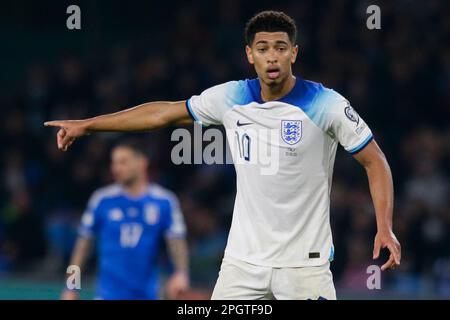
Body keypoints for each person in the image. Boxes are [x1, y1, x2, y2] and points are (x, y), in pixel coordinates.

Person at [46, 11, 401, 300]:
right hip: (242, 263)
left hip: (303, 266)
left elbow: (375, 161)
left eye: (280, 47)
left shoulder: (327, 104)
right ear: (250, 55)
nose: (272, 56)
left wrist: (384, 226)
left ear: (294, 53)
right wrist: (89, 125)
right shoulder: (231, 97)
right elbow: (164, 113)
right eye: (262, 48)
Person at [61, 139, 189, 300]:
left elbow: (176, 241)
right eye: (114, 163)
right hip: (107, 294)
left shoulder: (164, 201)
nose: (116, 168)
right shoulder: (102, 199)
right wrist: (71, 286)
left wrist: (181, 274)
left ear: (142, 163)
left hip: (147, 294)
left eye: (123, 162)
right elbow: (83, 246)